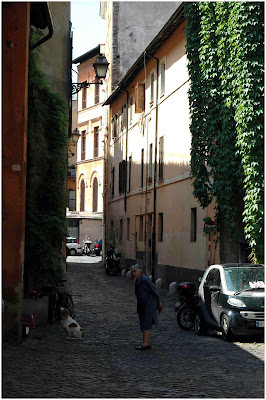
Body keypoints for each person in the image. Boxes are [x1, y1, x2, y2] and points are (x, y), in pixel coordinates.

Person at [132, 264, 162, 350]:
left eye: (135, 271)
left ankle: (145, 343)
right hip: (141, 304)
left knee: (146, 323)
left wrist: (159, 302)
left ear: (140, 271)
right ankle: (146, 342)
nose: (134, 273)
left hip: (148, 304)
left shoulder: (145, 280)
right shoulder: (137, 280)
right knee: (143, 322)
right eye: (133, 272)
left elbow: (154, 289)